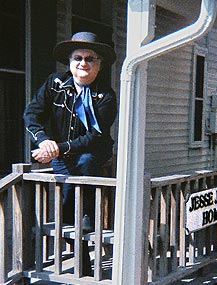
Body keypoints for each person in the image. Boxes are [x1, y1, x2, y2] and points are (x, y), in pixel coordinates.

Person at [23, 31, 117, 276]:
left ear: (99, 64)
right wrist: (44, 141)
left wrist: (58, 148)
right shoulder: (55, 84)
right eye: (78, 58)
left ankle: (89, 215)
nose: (83, 63)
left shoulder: (106, 96)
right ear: (70, 62)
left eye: (90, 58)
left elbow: (94, 137)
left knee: (85, 164)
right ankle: (83, 265)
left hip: (93, 156)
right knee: (67, 212)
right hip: (62, 158)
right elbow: (31, 114)